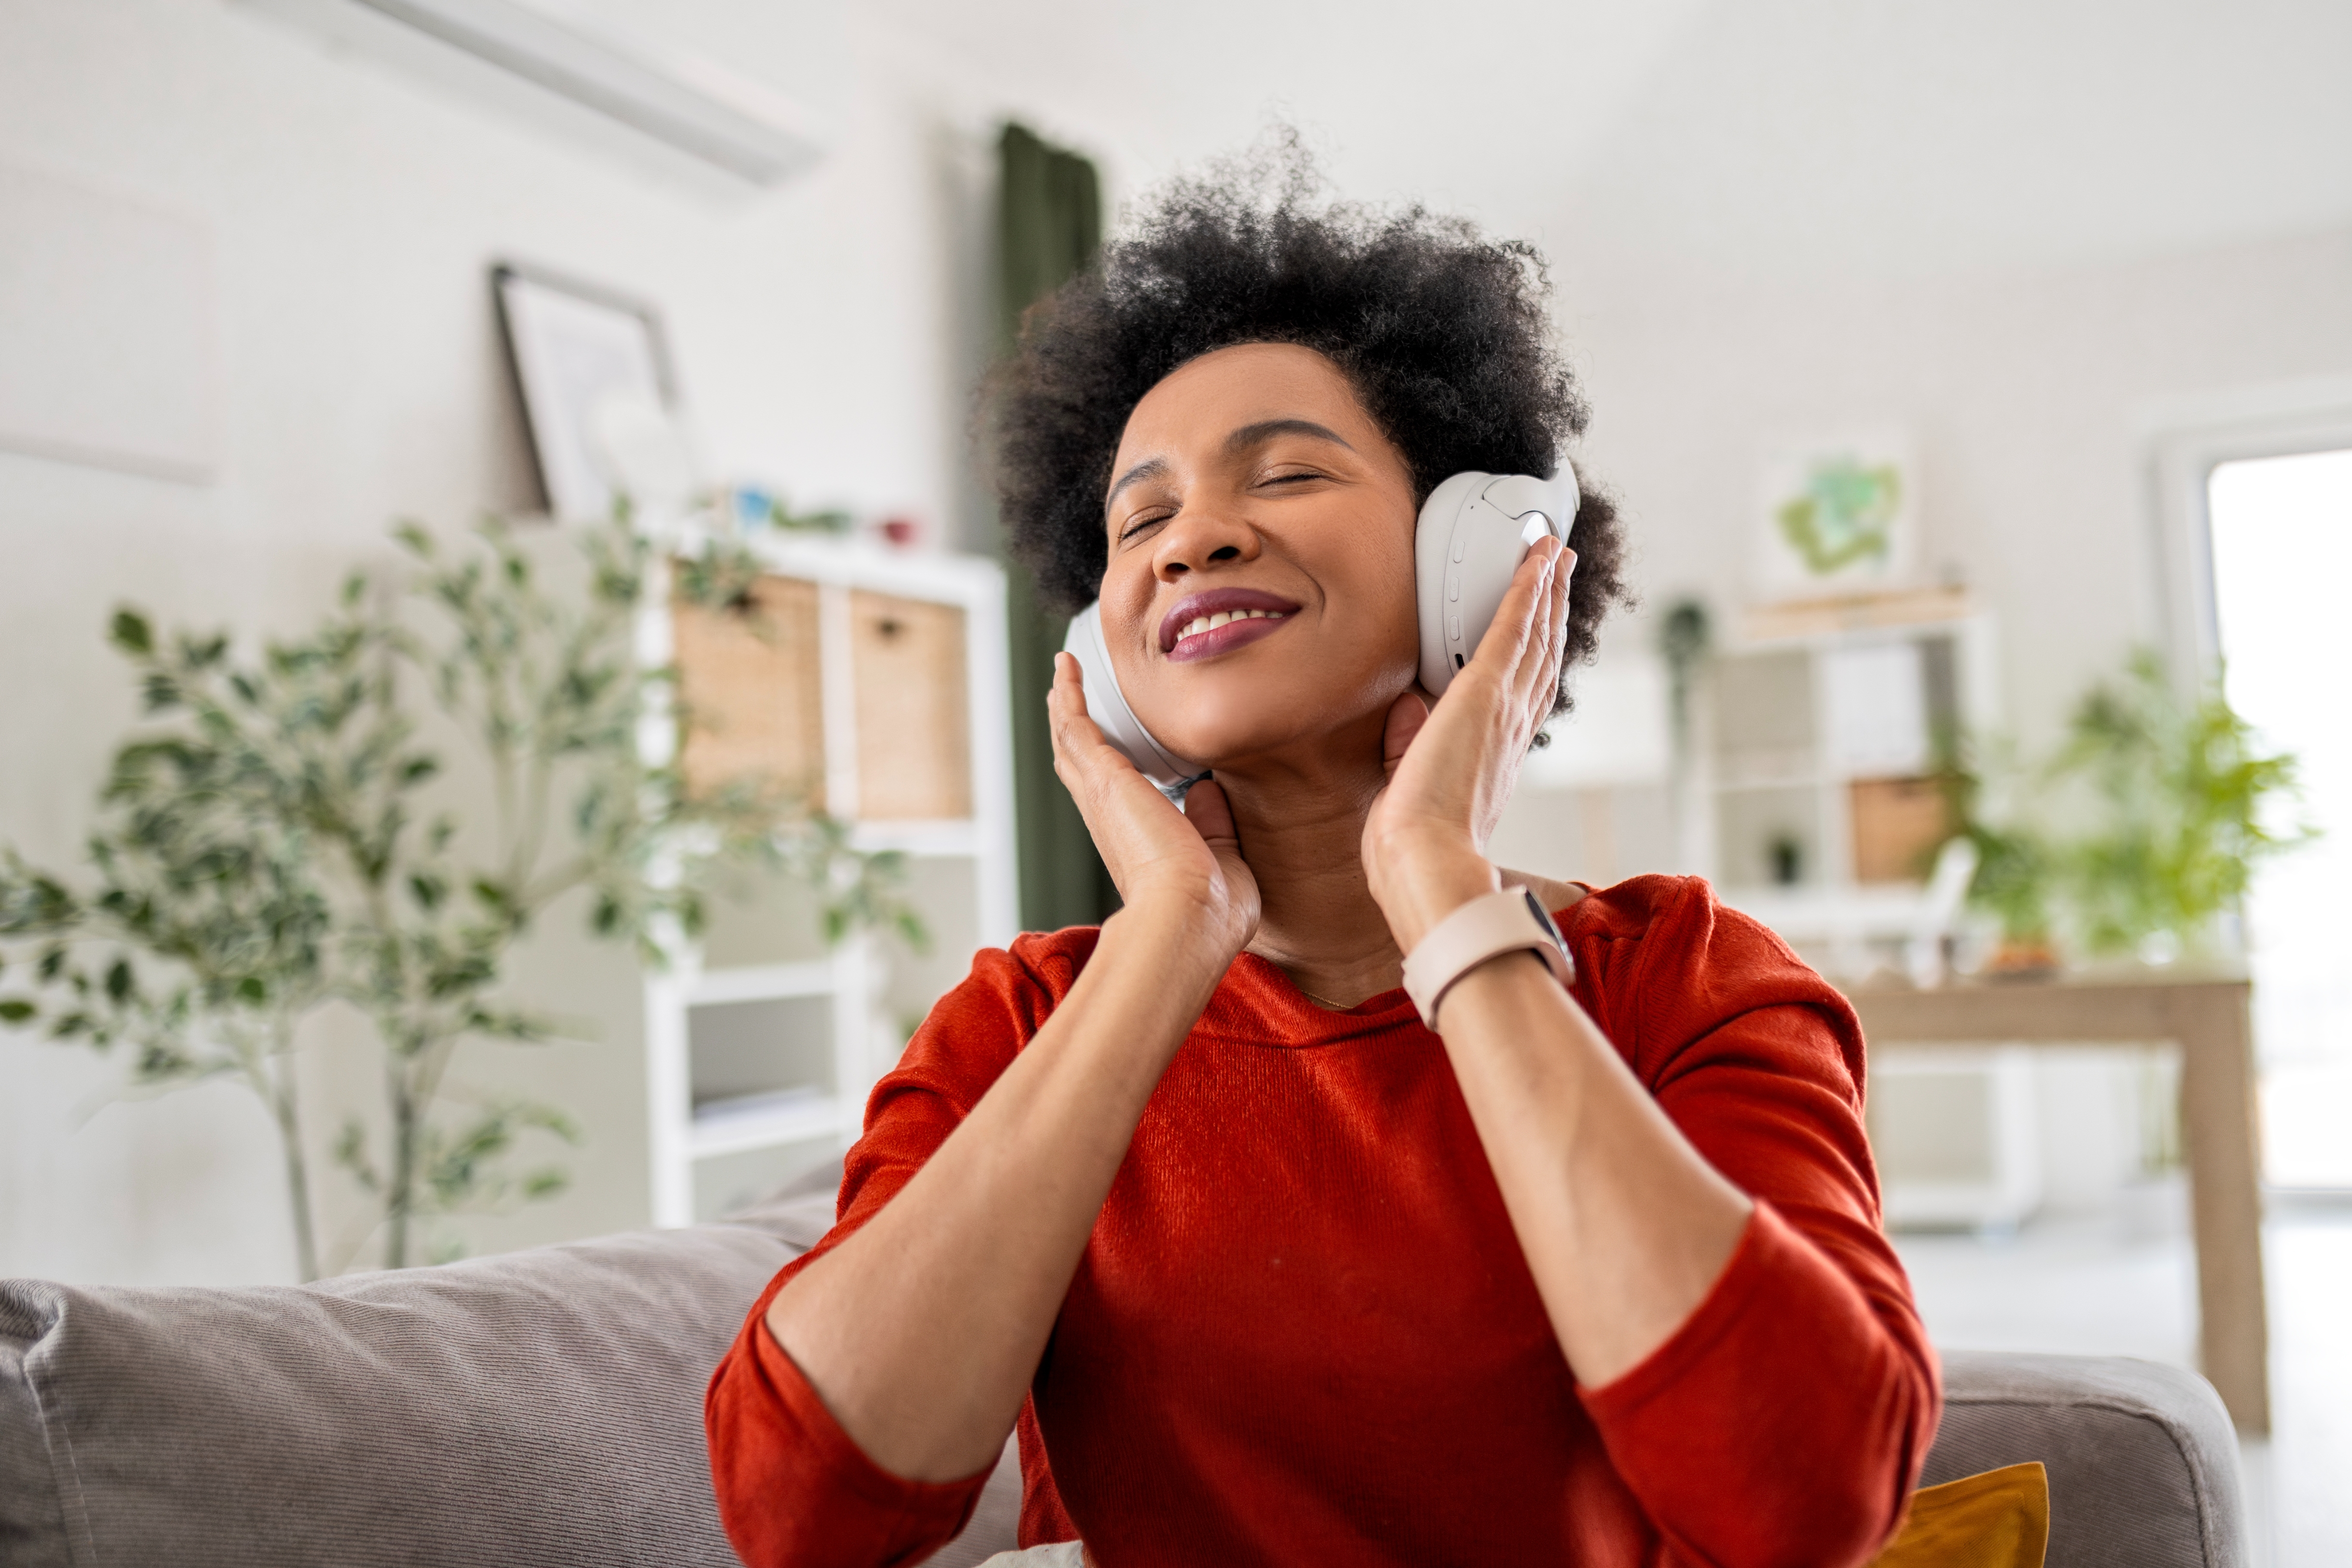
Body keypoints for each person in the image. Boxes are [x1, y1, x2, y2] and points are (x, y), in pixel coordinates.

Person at [707, 160, 1939, 1568]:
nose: (1195, 541)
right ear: (1097, 669)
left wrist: (1438, 887)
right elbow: (800, 1516)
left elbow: (1807, 1497)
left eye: (1287, 472)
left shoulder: (1680, 980)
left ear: (1480, 559)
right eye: (1138, 519)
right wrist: (1168, 935)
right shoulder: (1025, 1023)